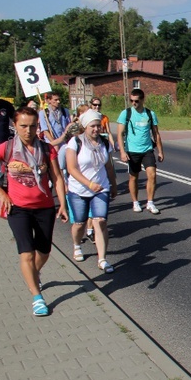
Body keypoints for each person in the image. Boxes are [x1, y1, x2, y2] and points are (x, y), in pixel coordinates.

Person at [0, 107, 68, 316]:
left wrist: (62, 203)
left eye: (32, 126)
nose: (28, 131)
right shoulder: (6, 148)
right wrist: (1, 193)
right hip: (17, 208)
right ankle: (37, 297)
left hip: (44, 207)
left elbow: (57, 178)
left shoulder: (47, 150)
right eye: (23, 126)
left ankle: (32, 274)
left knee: (44, 251)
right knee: (26, 252)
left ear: (38, 126)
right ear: (15, 126)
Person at [65, 109, 117, 273]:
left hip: (100, 188)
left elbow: (109, 166)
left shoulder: (105, 143)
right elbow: (71, 168)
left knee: (100, 221)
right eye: (92, 126)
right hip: (79, 189)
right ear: (85, 127)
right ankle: (77, 245)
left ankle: (102, 259)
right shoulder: (75, 142)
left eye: (98, 125)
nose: (96, 129)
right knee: (79, 223)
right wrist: (88, 184)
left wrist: (113, 184)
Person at [117, 89, 164, 214]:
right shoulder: (125, 113)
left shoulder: (150, 114)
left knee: (152, 175)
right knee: (133, 177)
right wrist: (122, 151)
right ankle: (135, 202)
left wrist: (160, 151)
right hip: (132, 150)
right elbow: (120, 134)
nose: (134, 103)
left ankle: (150, 202)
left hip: (147, 149)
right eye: (131, 101)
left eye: (136, 101)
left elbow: (156, 133)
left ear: (143, 100)